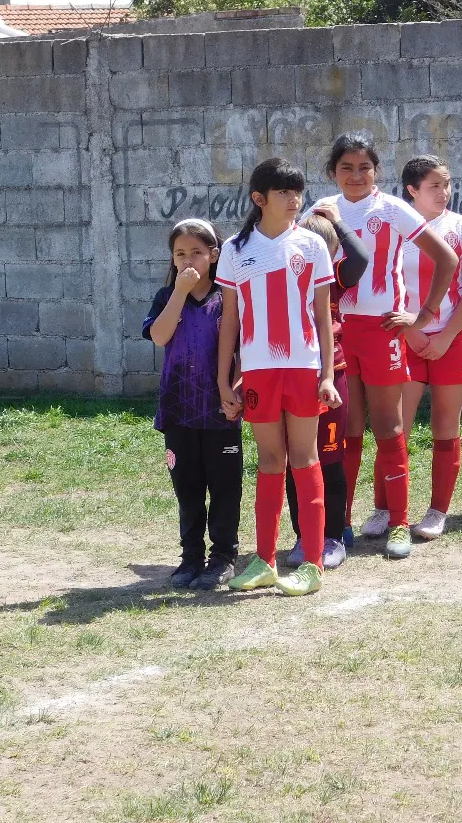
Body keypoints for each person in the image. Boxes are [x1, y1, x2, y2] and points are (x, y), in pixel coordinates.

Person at [309, 133, 457, 560]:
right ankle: (341, 525)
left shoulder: (393, 209)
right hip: (335, 333)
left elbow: (447, 259)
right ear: (333, 173)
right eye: (346, 168)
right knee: (346, 431)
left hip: (381, 332)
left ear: (377, 170)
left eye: (364, 167)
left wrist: (423, 316)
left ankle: (397, 524)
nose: (356, 175)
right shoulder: (321, 210)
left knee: (390, 430)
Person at [216, 158, 341, 597]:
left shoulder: (312, 245)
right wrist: (224, 377)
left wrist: (327, 374)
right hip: (258, 372)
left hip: (304, 368)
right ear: (259, 199)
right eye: (285, 193)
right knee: (270, 462)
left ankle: (311, 562)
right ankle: (265, 560)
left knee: (305, 459)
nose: (294, 200)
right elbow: (230, 321)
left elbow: (324, 318)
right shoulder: (234, 249)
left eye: (298, 192)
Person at [142, 218, 242, 591]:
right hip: (179, 410)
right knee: (187, 487)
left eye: (197, 252)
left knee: (225, 485)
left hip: (220, 410)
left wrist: (236, 388)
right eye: (180, 253)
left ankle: (223, 557)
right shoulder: (166, 297)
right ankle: (191, 557)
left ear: (214, 256)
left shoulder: (228, 298)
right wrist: (179, 293)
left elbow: (242, 348)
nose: (188, 260)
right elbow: (159, 336)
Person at [394, 156, 462, 540]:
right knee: (395, 427)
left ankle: (437, 511)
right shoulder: (396, 226)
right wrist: (411, 332)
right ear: (412, 190)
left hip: (452, 337)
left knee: (445, 427)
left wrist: (446, 335)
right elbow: (385, 284)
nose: (444, 192)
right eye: (434, 186)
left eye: (446, 184)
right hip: (405, 338)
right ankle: (388, 508)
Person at [284, 208, 370, 570]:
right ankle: (305, 535)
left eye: (324, 245)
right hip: (293, 373)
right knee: (295, 461)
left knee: (331, 459)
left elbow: (362, 258)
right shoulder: (284, 273)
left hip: (330, 375)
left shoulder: (335, 277)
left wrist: (337, 221)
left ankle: (333, 534)